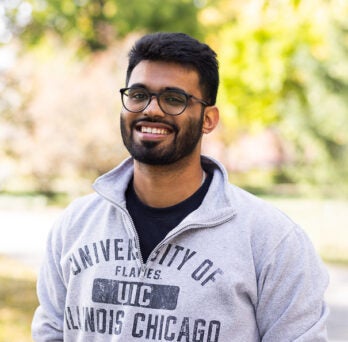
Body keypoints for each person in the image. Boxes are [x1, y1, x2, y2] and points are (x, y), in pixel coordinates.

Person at [32, 32, 329, 341]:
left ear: (208, 119)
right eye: (138, 94)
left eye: (174, 99)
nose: (151, 109)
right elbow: (50, 333)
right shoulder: (75, 225)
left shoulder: (272, 241)